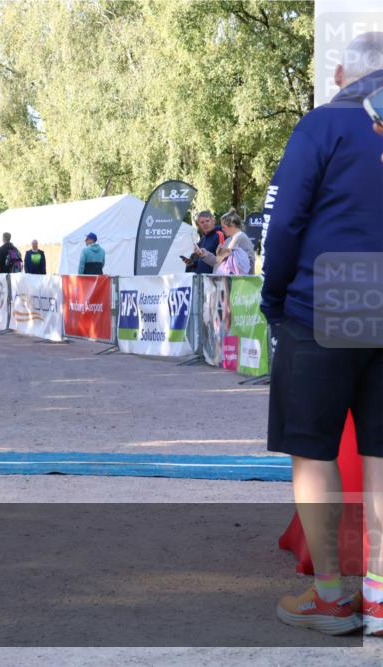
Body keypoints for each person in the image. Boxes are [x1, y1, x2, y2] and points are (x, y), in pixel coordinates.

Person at [261, 32, 383, 636]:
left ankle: (332, 596)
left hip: (325, 300)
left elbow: (283, 220)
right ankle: (382, 600)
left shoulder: (324, 124)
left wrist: (273, 294)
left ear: (342, 73)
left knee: (312, 451)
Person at [194, 209, 255, 275]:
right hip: (226, 282)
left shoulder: (242, 238)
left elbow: (250, 263)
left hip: (238, 282)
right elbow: (218, 262)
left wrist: (228, 256)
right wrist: (204, 255)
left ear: (231, 225)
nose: (222, 229)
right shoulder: (228, 240)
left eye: (223, 227)